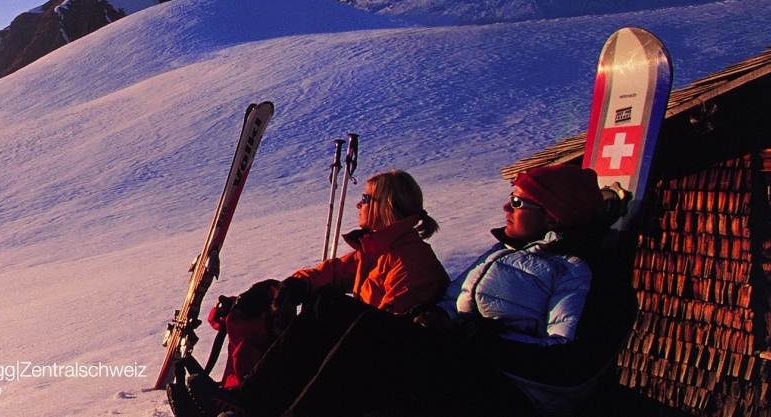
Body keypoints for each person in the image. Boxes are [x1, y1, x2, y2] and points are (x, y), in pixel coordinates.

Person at [191, 164, 637, 417]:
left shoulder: (577, 271)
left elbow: (570, 364)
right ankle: (249, 403)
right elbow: (443, 300)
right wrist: (440, 318)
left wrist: (482, 341)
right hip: (460, 359)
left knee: (365, 333)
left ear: (554, 214)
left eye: (520, 202)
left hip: (504, 390)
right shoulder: (501, 254)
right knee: (327, 307)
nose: (507, 206)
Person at [174, 169, 451, 416]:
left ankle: (248, 401)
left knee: (326, 309)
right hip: (370, 353)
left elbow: (382, 331)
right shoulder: (379, 252)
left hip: (390, 371)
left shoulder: (411, 261)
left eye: (365, 199)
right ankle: (243, 400)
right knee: (316, 301)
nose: (358, 204)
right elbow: (331, 273)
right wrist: (293, 286)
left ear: (386, 206)